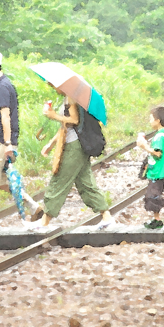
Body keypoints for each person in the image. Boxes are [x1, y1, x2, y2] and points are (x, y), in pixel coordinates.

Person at [0, 50, 40, 231]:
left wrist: (8, 143)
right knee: (4, 182)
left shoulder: (3, 87)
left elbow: (5, 117)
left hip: (2, 142)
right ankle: (34, 207)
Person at [32, 84, 114, 229]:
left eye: (53, 85)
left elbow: (74, 121)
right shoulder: (67, 98)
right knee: (86, 183)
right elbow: (66, 126)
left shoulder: (71, 98)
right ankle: (106, 217)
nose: (52, 87)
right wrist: (50, 144)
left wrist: (54, 116)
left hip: (74, 146)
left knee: (59, 180)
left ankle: (44, 221)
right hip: (78, 145)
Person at [136, 106, 164, 229]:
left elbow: (157, 153)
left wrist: (144, 146)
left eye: (151, 118)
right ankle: (157, 219)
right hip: (155, 171)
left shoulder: (160, 136)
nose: (150, 121)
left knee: (153, 197)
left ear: (158, 120)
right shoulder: (161, 134)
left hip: (158, 172)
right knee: (152, 196)